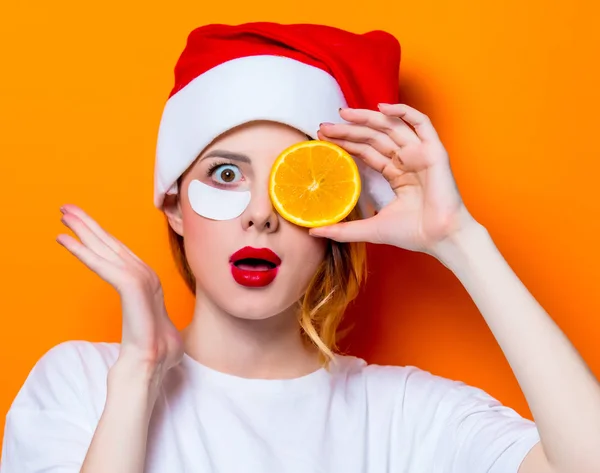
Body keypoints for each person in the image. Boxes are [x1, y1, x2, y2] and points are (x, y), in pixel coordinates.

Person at [1, 21, 599, 473]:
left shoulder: (404, 416)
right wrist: (138, 375)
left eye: (297, 182)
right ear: (175, 204)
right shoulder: (84, 384)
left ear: (341, 210)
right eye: (226, 175)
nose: (261, 214)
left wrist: (460, 240)